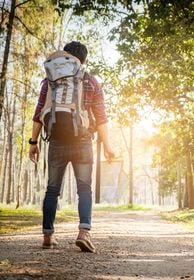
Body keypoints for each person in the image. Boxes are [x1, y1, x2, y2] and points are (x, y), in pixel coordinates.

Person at [28, 41, 115, 253]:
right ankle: (84, 233)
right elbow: (101, 118)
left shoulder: (50, 81)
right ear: (83, 59)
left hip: (56, 140)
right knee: (84, 188)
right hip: (82, 140)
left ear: (67, 56)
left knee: (52, 190)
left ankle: (48, 236)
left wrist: (33, 143)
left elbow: (39, 112)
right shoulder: (91, 81)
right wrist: (108, 146)